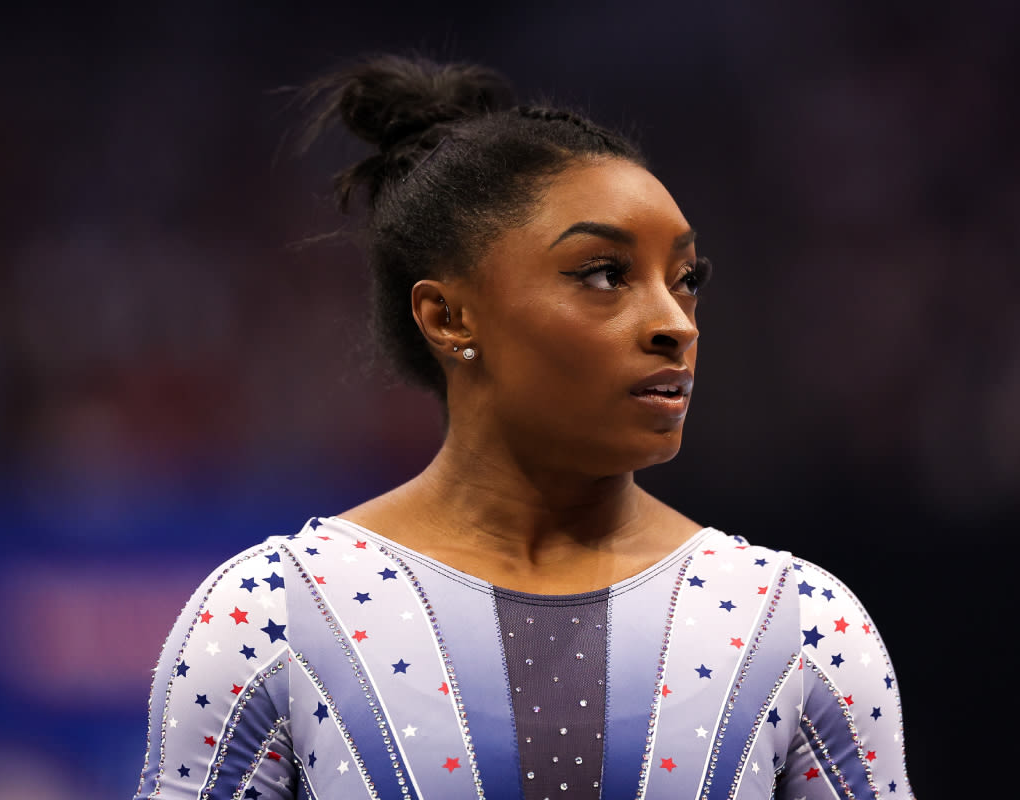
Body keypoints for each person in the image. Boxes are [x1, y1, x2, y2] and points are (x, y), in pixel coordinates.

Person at [133, 54, 915, 800]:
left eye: (686, 280)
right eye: (604, 275)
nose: (675, 323)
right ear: (448, 316)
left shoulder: (800, 625)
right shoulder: (275, 615)